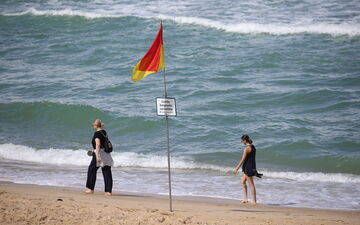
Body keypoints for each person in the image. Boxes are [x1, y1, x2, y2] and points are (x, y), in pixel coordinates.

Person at [85, 119, 114, 196]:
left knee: (91, 169)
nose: (93, 126)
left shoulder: (97, 133)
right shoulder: (104, 132)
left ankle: (90, 189)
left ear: (96, 125)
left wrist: (97, 156)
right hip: (106, 154)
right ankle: (108, 191)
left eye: (93, 124)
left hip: (100, 154)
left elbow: (98, 144)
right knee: (106, 171)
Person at [233, 135, 262, 205]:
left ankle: (254, 201)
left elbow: (243, 159)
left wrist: (236, 168)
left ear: (245, 140)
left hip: (248, 168)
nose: (242, 142)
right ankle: (246, 199)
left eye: (242, 141)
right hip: (251, 166)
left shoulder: (247, 148)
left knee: (251, 184)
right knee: (242, 182)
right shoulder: (253, 147)